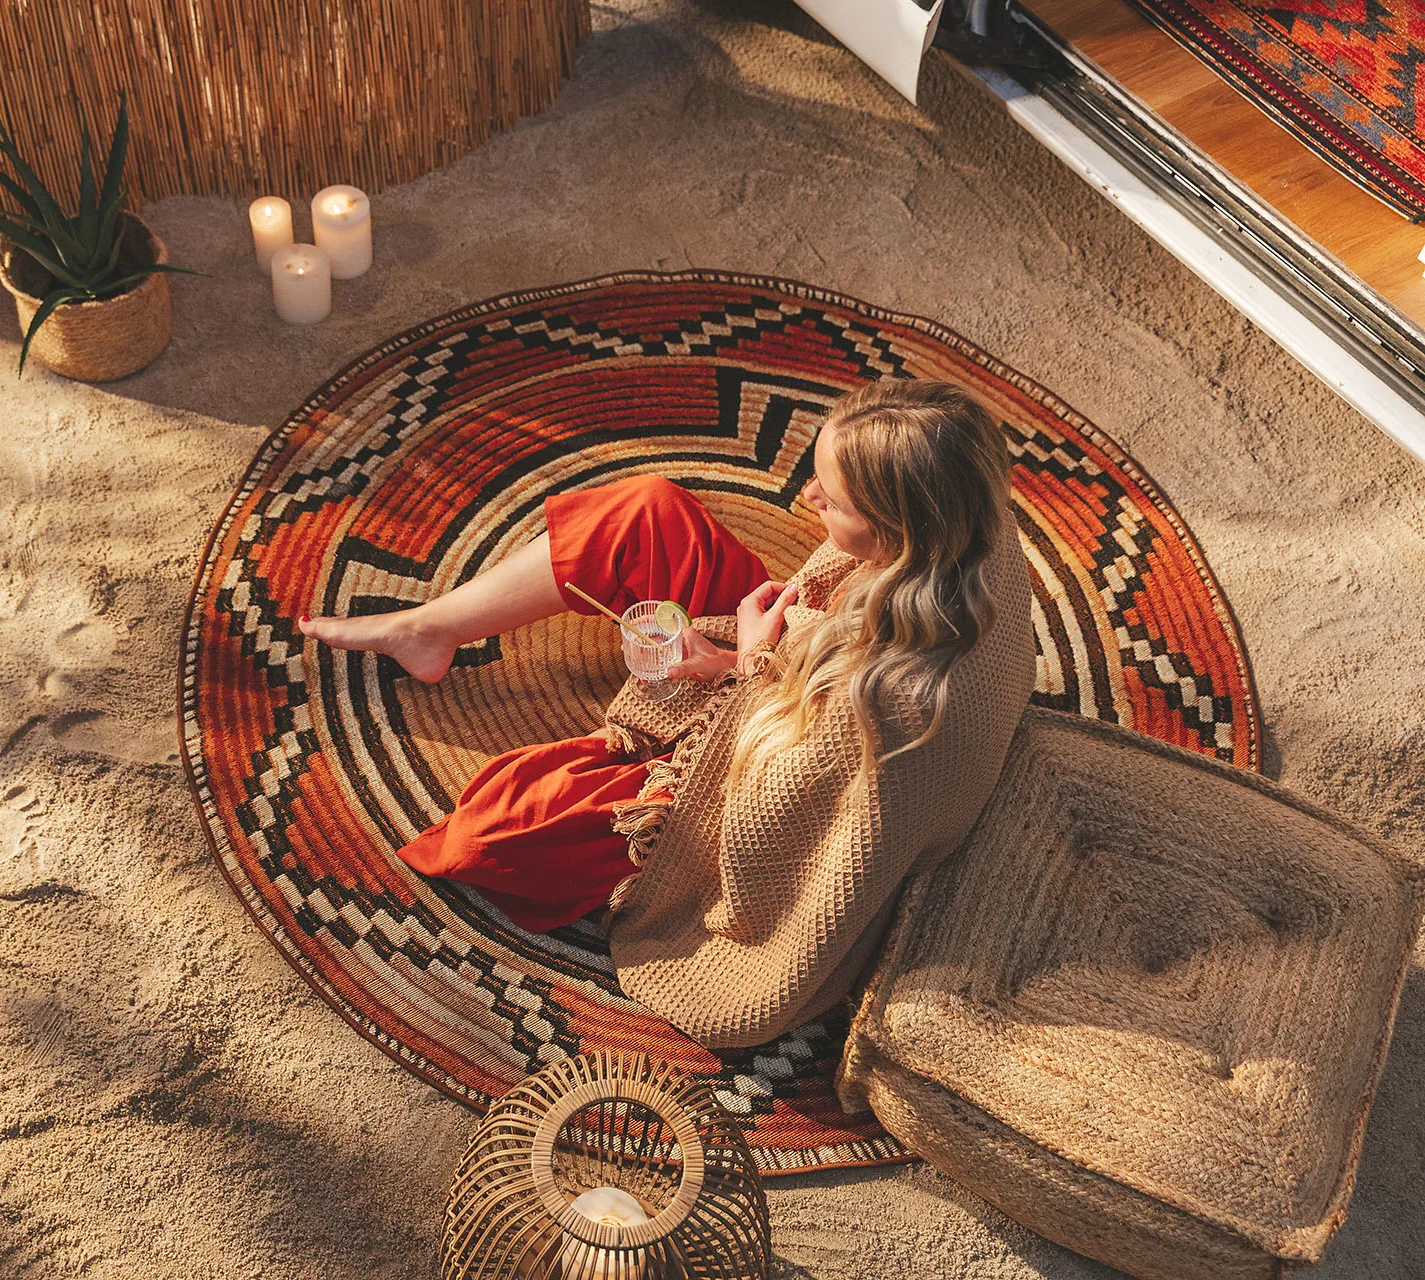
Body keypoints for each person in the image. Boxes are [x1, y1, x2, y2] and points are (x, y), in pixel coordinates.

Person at [297, 379, 1038, 1049]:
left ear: (896, 528)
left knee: (496, 830)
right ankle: (435, 629)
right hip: (801, 674)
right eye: (820, 471)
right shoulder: (975, 518)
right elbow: (819, 646)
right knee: (642, 513)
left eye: (834, 500)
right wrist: (745, 656)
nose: (806, 496)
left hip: (776, 770)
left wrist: (743, 666)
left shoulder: (896, 698)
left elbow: (762, 825)